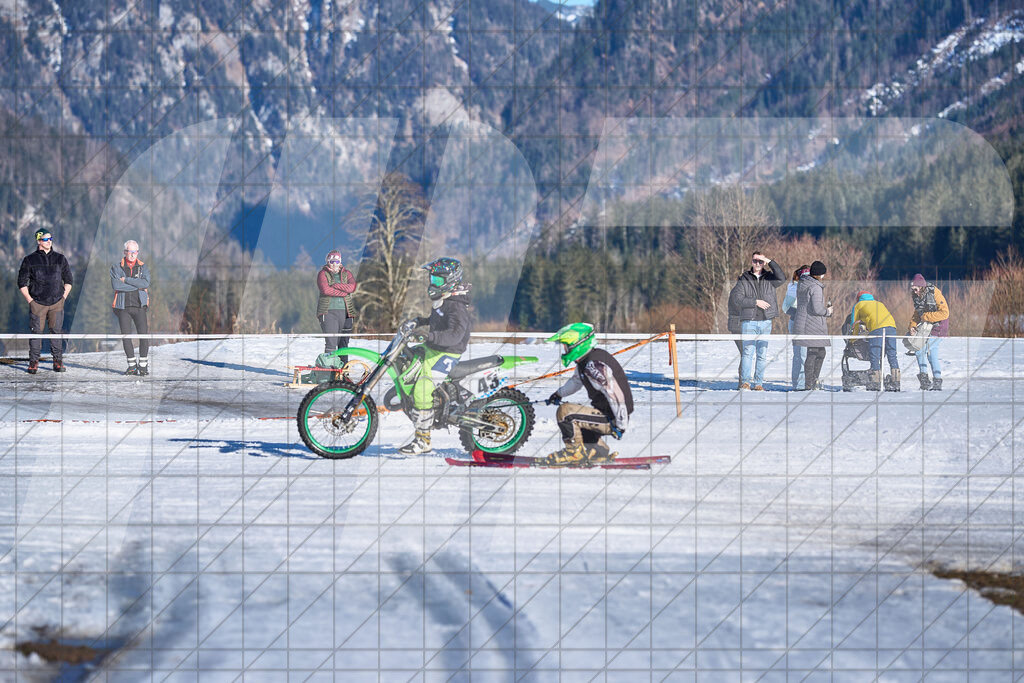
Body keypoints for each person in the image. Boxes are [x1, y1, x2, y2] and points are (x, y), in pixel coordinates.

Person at [399, 257, 472, 455]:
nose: (433, 284)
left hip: (448, 352)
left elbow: (454, 334)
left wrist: (429, 335)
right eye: (432, 279)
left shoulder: (456, 306)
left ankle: (424, 441)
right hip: (434, 347)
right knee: (405, 362)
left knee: (422, 388)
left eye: (438, 280)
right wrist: (420, 321)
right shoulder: (445, 300)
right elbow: (436, 320)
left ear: (450, 280)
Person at [544, 323, 633, 465]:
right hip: (607, 413)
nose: (565, 350)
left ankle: (574, 453)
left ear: (577, 345)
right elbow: (576, 382)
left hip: (613, 418)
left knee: (566, 412)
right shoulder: (585, 362)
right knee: (577, 416)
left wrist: (621, 424)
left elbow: (614, 394)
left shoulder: (593, 365)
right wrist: (559, 394)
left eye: (566, 346)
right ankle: (598, 451)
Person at [727, 251, 786, 390]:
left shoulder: (770, 278)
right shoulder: (744, 278)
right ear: (751, 262)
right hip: (749, 321)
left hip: (766, 321)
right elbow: (737, 299)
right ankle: (745, 382)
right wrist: (755, 302)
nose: (757, 264)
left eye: (760, 261)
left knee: (762, 354)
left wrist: (769, 260)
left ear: (764, 262)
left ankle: (758, 384)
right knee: (748, 352)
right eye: (755, 261)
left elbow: (782, 278)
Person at [17, 229, 73, 374]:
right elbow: (22, 282)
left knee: (56, 332)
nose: (49, 241)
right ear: (39, 241)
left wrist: (63, 298)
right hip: (37, 303)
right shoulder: (29, 260)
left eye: (50, 238)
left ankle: (58, 361)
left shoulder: (60, 259)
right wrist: (31, 301)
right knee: (36, 333)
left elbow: (69, 280)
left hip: (57, 303)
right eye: (46, 239)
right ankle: (34, 362)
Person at [110, 240, 152, 375]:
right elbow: (116, 285)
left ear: (138, 252)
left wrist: (126, 280)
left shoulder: (143, 267)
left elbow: (146, 282)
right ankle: (132, 365)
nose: (133, 254)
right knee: (126, 337)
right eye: (130, 251)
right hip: (123, 307)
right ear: (125, 252)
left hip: (140, 306)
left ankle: (143, 366)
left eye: (135, 252)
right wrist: (137, 285)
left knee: (144, 336)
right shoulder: (116, 267)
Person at [792, 261, 833, 390]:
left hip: (804, 322)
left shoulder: (803, 283)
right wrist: (828, 311)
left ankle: (811, 382)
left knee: (817, 352)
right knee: (815, 352)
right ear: (820, 274)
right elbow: (816, 309)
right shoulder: (815, 287)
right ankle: (810, 383)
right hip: (812, 324)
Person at [851, 290, 900, 391]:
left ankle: (876, 382)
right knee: (892, 353)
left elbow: (854, 325)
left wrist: (852, 339)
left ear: (858, 299)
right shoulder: (879, 303)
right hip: (891, 326)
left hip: (876, 327)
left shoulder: (858, 305)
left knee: (875, 355)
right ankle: (896, 382)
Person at [909, 273, 949, 391]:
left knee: (930, 352)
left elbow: (945, 313)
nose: (914, 292)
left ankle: (935, 382)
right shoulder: (917, 296)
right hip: (926, 327)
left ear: (921, 287)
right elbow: (917, 313)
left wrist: (926, 317)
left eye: (915, 289)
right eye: (912, 290)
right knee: (919, 350)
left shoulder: (935, 293)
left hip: (939, 326)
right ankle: (925, 381)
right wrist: (912, 325)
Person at [316, 250, 357, 356]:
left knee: (344, 344)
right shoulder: (322, 274)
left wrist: (335, 286)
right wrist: (343, 293)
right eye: (332, 261)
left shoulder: (347, 274)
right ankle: (329, 369)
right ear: (327, 261)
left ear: (340, 262)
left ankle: (343, 370)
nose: (335, 264)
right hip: (328, 311)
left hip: (346, 312)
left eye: (337, 261)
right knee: (331, 343)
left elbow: (352, 287)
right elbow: (325, 290)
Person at [783, 265, 810, 390]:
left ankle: (800, 383)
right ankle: (800, 384)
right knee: (801, 354)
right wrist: (798, 313)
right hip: (797, 322)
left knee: (801, 354)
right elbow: (785, 307)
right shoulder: (794, 288)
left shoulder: (796, 286)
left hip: (804, 322)